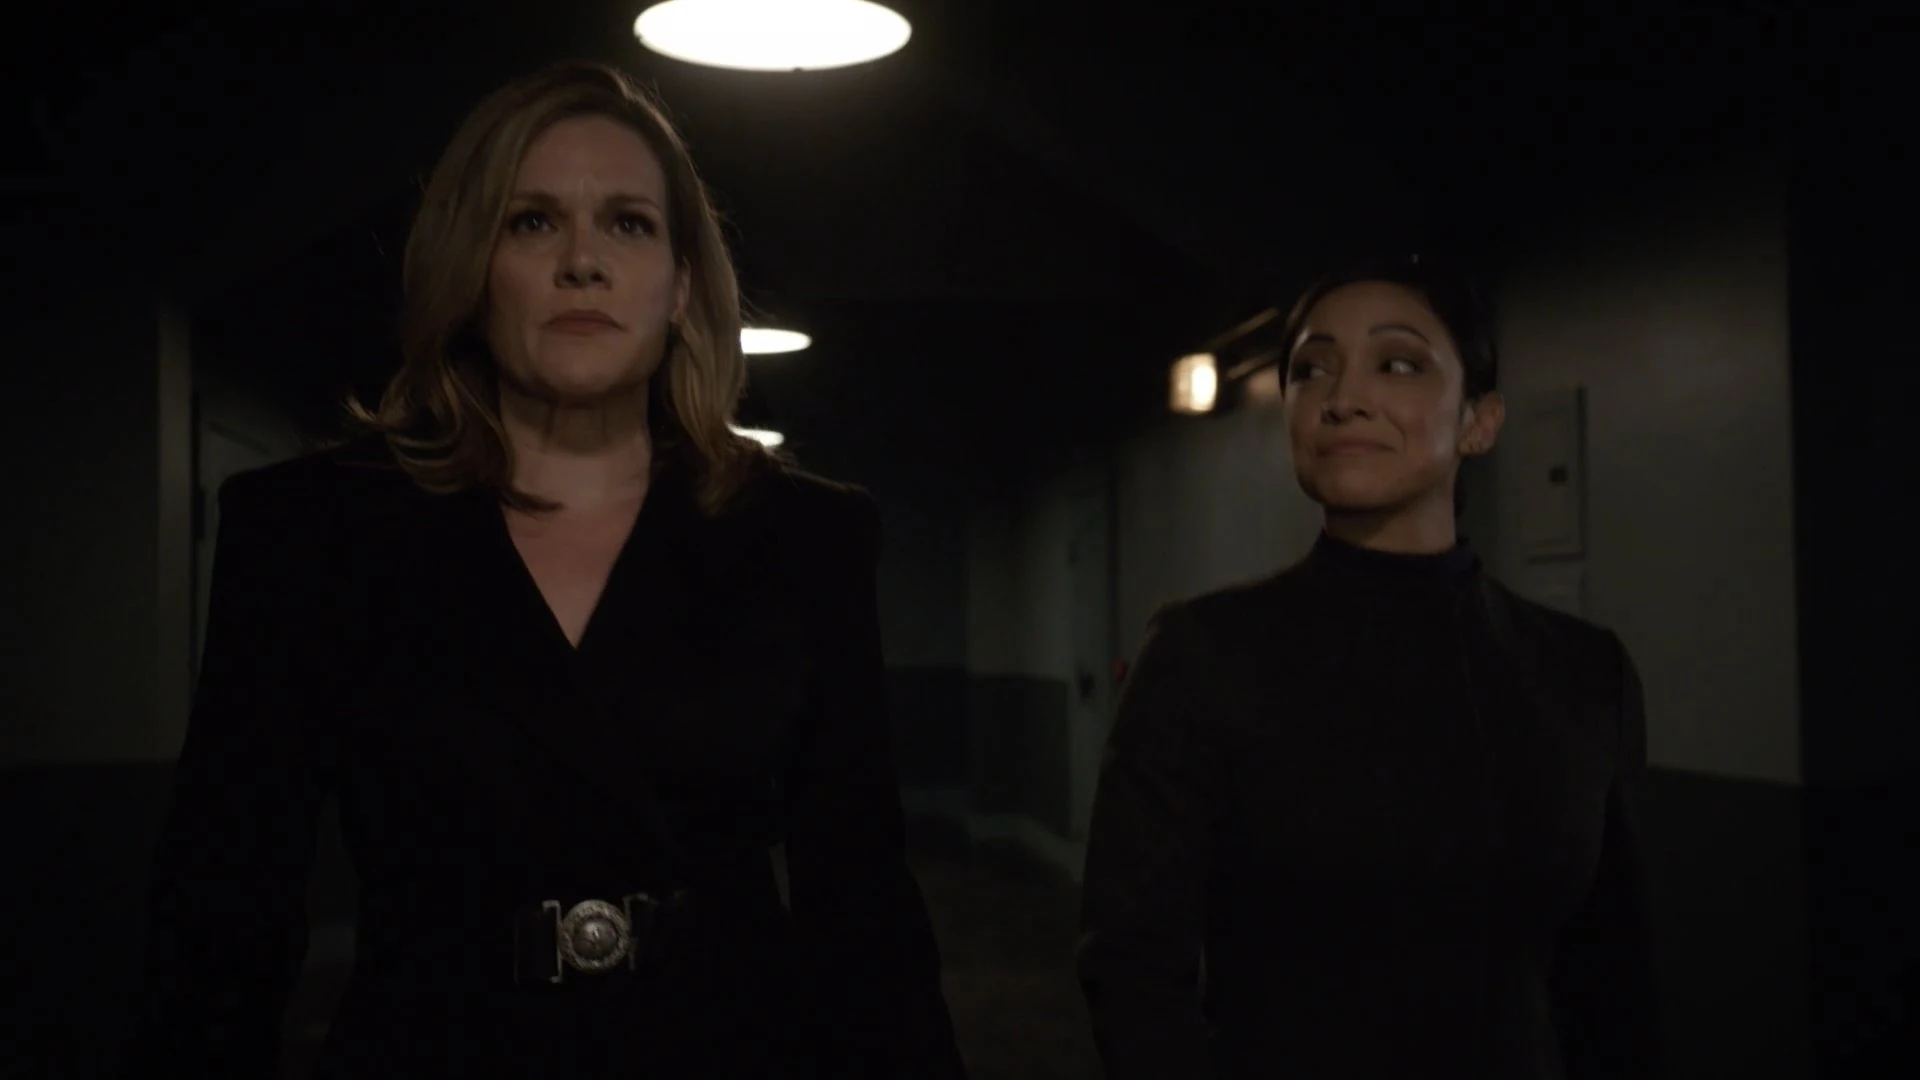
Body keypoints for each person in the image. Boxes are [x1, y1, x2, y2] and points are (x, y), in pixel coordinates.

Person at [126, 61, 965, 1079]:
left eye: (628, 224)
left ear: (681, 286)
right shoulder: (312, 533)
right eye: (531, 222)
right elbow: (224, 916)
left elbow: (863, 907)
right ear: (472, 269)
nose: (582, 262)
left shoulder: (807, 537)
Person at [1076, 257, 1662, 1078]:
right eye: (1312, 369)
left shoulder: (1583, 673)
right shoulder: (1203, 654)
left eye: (1397, 364)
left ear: (1479, 421)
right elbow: (1133, 968)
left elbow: (1614, 989)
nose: (1342, 397)